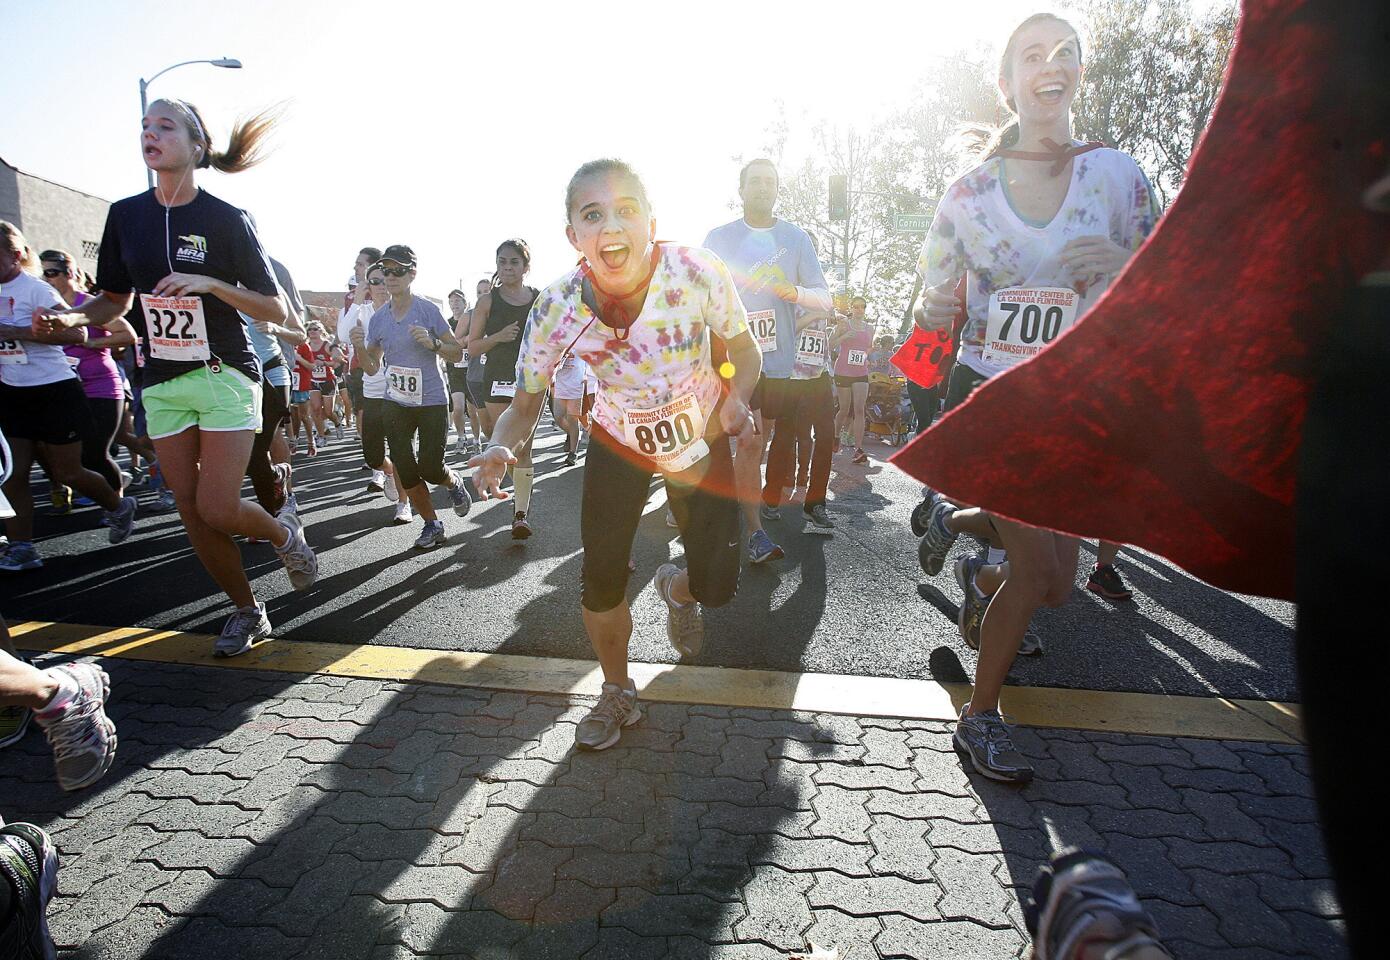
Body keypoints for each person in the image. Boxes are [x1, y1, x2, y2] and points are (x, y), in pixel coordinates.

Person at [913, 13, 1159, 782]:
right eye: (1032, 55)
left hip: (1078, 406)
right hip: (997, 396)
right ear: (1007, 82)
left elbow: (1167, 284)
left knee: (1054, 586)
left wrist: (1122, 262)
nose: (1051, 65)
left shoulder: (1119, 176)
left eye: (1067, 53)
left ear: (1079, 72)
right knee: (1037, 573)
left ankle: (958, 522)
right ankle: (980, 721)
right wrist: (935, 309)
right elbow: (933, 300)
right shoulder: (969, 193)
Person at [473, 158, 760, 751]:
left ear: (651, 221)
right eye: (593, 214)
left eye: (627, 209)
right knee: (600, 580)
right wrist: (500, 445)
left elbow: (743, 348)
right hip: (618, 440)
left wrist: (737, 398)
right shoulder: (556, 308)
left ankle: (678, 588)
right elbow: (526, 402)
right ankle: (616, 690)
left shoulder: (696, 271)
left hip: (699, 433)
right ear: (573, 235)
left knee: (719, 586)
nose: (612, 226)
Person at [32, 97, 319, 656]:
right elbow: (113, 300)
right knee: (190, 510)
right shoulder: (125, 216)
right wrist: (70, 316)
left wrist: (210, 284)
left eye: (165, 126)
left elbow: (277, 309)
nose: (150, 133)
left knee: (217, 506)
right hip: (160, 380)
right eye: (144, 126)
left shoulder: (224, 219)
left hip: (225, 373)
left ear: (196, 145)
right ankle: (247, 610)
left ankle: (285, 534)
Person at [704, 159, 832, 564]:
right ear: (741, 190)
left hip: (773, 363)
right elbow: (695, 295)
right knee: (731, 440)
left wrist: (792, 291)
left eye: (770, 182)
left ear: (778, 189)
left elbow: (825, 299)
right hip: (724, 358)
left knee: (752, 443)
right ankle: (744, 527)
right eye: (755, 181)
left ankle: (747, 523)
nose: (763, 187)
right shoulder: (718, 238)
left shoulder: (795, 239)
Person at [1, 223, 139, 574]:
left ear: (15, 255)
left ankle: (118, 505)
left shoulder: (35, 290)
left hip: (54, 390)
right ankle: (22, 548)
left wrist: (17, 332)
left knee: (69, 471)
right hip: (11, 392)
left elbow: (77, 332)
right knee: (12, 474)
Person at [351, 245, 472, 548]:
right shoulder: (379, 319)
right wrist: (358, 347)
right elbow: (371, 368)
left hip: (431, 400)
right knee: (405, 467)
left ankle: (453, 481)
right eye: (385, 271)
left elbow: (456, 352)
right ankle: (432, 524)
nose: (390, 277)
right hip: (396, 402)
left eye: (398, 271)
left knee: (431, 467)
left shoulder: (427, 310)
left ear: (412, 273)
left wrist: (433, 344)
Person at [40, 249, 140, 500]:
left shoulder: (89, 305)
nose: (47, 278)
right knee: (64, 456)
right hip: (63, 387)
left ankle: (118, 502)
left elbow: (127, 335)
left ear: (70, 273)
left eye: (52, 272)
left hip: (100, 386)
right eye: (43, 273)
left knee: (95, 453)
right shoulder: (43, 304)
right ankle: (104, 491)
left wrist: (92, 345)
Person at [468, 241, 541, 539]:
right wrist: (498, 336)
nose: (508, 268)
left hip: (531, 378)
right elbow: (471, 346)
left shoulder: (539, 299)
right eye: (502, 262)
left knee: (523, 447)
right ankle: (507, 486)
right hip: (497, 377)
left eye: (514, 262)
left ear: (526, 267)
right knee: (500, 440)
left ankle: (520, 514)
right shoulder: (487, 301)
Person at [342, 262, 412, 523]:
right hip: (372, 391)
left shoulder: (404, 310)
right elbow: (342, 334)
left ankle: (404, 504)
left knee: (402, 450)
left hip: (401, 393)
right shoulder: (361, 311)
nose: (380, 286)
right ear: (367, 285)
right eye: (374, 281)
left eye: (384, 280)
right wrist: (358, 302)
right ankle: (390, 472)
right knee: (373, 455)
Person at [832, 295, 876, 460]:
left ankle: (858, 449)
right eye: (856, 306)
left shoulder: (870, 328)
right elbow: (830, 344)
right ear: (851, 308)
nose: (859, 309)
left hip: (860, 372)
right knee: (844, 409)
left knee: (859, 409)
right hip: (843, 371)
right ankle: (836, 436)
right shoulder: (844, 324)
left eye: (862, 307)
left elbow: (869, 347)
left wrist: (865, 355)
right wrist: (844, 337)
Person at [445, 289, 481, 457]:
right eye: (452, 301)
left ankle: (476, 440)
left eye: (458, 301)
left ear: (465, 303)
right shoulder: (446, 324)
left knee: (473, 411)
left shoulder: (475, 321)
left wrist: (466, 341)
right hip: (455, 372)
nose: (455, 304)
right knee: (458, 408)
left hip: (472, 371)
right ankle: (461, 437)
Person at [463, 278, 494, 439]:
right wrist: (471, 338)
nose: (482, 295)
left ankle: (503, 456)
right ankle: (493, 448)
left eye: (486, 291)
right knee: (487, 426)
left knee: (500, 421)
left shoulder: (502, 313)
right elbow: (457, 342)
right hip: (476, 376)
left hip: (498, 375)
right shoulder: (470, 315)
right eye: (479, 292)